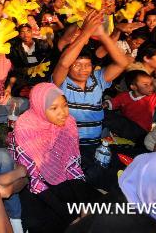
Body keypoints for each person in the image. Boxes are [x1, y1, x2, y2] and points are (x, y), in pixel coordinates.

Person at [8, 83, 101, 233]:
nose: (63, 113)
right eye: (54, 108)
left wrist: (84, 206)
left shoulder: (68, 123)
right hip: (33, 184)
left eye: (65, 105)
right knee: (41, 223)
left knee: (97, 209)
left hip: (61, 178)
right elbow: (35, 181)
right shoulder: (26, 129)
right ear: (40, 108)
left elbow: (73, 167)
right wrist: (70, 217)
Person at [51, 10, 129, 188]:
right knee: (90, 179)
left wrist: (102, 34)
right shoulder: (61, 83)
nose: (83, 69)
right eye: (77, 65)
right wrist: (86, 32)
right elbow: (63, 63)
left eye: (87, 65)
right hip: (70, 145)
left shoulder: (98, 80)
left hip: (95, 143)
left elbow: (123, 63)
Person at [104, 70, 156, 142]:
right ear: (133, 87)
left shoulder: (153, 97)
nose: (151, 87)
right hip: (126, 125)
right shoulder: (124, 96)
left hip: (140, 131)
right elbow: (112, 103)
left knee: (117, 121)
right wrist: (105, 104)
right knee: (105, 114)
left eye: (151, 84)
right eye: (146, 84)